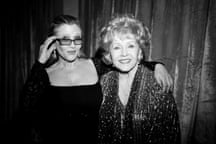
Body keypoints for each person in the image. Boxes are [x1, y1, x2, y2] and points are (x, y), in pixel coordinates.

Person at [21, 14, 173, 144]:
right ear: (53, 42)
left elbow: (124, 61)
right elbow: (26, 109)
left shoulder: (95, 65)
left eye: (77, 39)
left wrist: (156, 65)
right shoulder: (43, 74)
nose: (73, 45)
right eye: (66, 40)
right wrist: (39, 63)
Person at [98, 14, 181, 144]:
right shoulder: (104, 82)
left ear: (140, 51)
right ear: (109, 54)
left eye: (130, 46)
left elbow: (170, 136)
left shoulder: (157, 85)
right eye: (117, 47)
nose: (124, 53)